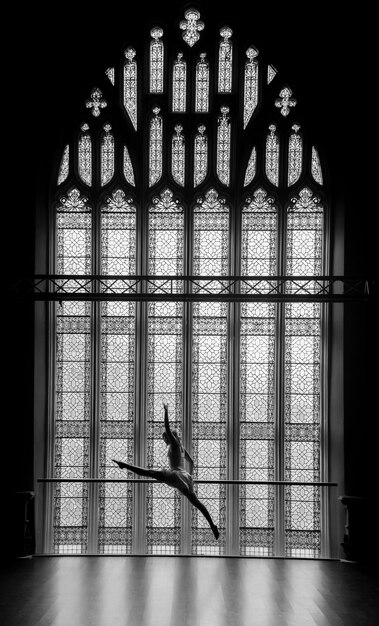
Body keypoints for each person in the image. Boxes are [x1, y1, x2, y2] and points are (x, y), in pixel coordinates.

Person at [112, 403, 219, 540]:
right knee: (197, 503)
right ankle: (212, 525)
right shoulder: (181, 448)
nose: (164, 440)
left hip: (175, 475)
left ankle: (124, 465)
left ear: (170, 437)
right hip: (185, 477)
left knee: (149, 472)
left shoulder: (174, 445)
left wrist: (166, 411)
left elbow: (167, 428)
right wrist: (190, 476)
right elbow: (191, 462)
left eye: (165, 438)